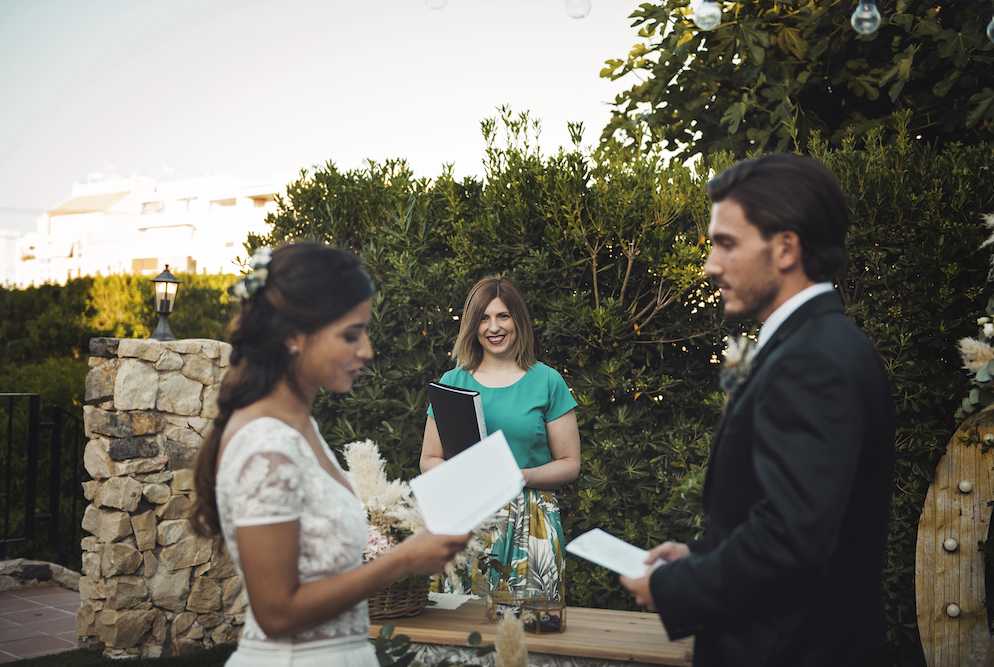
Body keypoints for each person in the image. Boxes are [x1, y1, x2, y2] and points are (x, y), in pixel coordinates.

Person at [619, 154, 895, 667]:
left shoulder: (812, 360)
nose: (711, 266)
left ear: (786, 247)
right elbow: (798, 516)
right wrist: (701, 555)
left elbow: (790, 542)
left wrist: (677, 587)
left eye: (727, 244)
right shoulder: (821, 343)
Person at [190, 243, 469, 667]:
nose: (367, 350)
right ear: (292, 336)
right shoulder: (265, 446)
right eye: (350, 335)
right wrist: (402, 561)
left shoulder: (302, 427)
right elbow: (277, 613)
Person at [420, 275, 581, 601]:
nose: (494, 327)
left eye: (503, 316)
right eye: (484, 318)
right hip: (467, 520)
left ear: (517, 319)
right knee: (463, 628)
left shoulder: (548, 381)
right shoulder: (453, 380)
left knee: (532, 628)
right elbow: (429, 459)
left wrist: (521, 477)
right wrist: (467, 478)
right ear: (473, 325)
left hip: (530, 521)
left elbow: (570, 463)